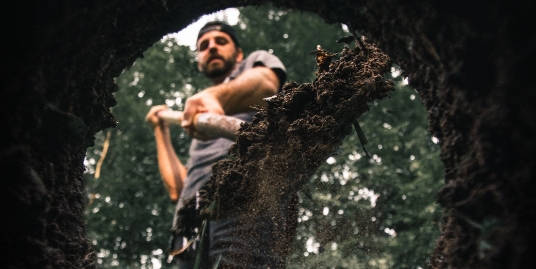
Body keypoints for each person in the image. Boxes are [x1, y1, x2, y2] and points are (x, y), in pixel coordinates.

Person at [145, 21, 297, 268]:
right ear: (199, 61)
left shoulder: (252, 66)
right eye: (204, 46)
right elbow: (177, 188)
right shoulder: (200, 122)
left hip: (244, 199)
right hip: (188, 228)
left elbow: (267, 83)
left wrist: (215, 97)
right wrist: (160, 131)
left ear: (238, 53)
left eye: (221, 41)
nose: (212, 47)